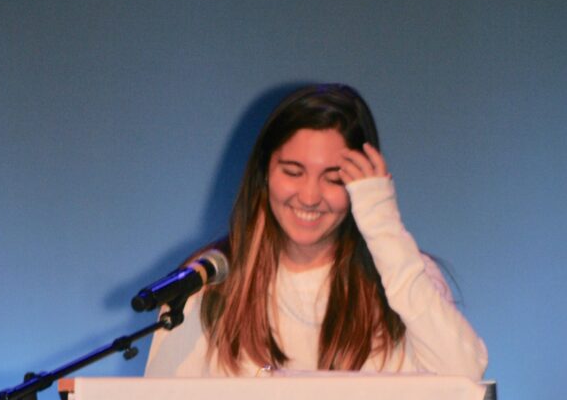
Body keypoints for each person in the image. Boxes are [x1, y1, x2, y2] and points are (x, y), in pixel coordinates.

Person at [145, 83, 487, 380]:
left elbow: (463, 378)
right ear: (265, 173)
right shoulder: (208, 285)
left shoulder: (406, 278)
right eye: (293, 172)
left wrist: (383, 226)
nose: (309, 197)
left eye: (334, 178)